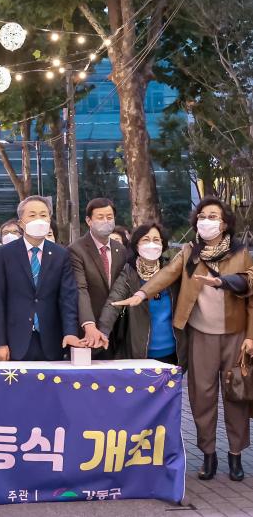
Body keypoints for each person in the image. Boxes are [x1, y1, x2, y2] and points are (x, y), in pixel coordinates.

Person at [113, 197, 253, 481]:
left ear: (224, 223)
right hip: (200, 335)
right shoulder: (189, 252)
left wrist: (250, 336)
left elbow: (250, 292)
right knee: (202, 397)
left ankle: (236, 455)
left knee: (236, 395)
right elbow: (166, 274)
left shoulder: (241, 253)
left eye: (212, 216)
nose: (206, 221)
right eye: (202, 216)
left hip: (235, 336)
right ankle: (208, 455)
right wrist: (141, 293)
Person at [0, 196, 81, 361]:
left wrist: (70, 332)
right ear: (21, 223)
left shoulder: (61, 254)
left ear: (49, 219)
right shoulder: (4, 254)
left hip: (52, 340)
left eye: (43, 215)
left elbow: (68, 298)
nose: (38, 219)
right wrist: (0, 342)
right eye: (32, 215)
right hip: (15, 340)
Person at [97, 223, 181, 362]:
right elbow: (114, 303)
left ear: (163, 244)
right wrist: (103, 332)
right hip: (140, 352)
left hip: (173, 352)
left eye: (156, 240)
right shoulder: (129, 273)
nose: (151, 244)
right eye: (146, 240)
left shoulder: (172, 271)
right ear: (136, 245)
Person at [69, 198, 128, 357]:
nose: (106, 221)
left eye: (109, 217)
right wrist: (89, 324)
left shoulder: (121, 250)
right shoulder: (76, 250)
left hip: (116, 329)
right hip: (88, 331)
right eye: (100, 217)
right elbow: (80, 289)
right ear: (89, 220)